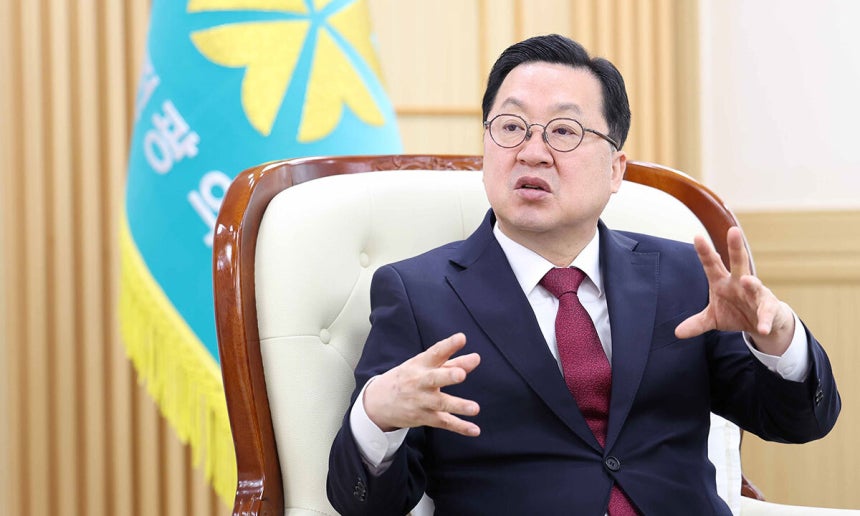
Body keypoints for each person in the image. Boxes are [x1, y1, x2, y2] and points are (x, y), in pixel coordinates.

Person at [326, 34, 840, 515]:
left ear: (615, 170)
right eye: (510, 127)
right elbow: (368, 505)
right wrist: (378, 416)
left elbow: (798, 421)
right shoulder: (418, 294)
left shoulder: (683, 276)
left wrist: (778, 339)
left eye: (564, 132)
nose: (532, 152)